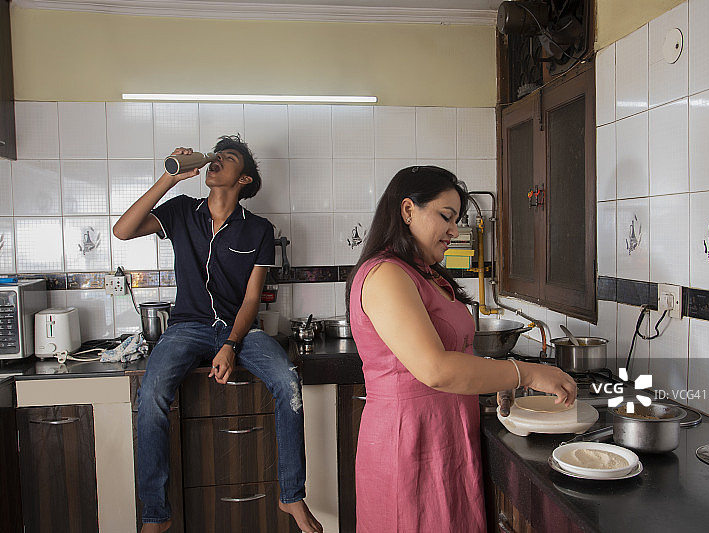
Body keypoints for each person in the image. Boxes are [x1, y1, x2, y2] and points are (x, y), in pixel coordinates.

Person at [345, 166, 577, 533]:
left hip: (446, 435)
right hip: (409, 441)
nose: (455, 230)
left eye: (457, 219)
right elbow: (436, 369)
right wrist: (526, 372)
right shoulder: (386, 274)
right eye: (446, 217)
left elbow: (458, 355)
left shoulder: (427, 273)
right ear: (408, 211)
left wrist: (496, 379)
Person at [113, 135, 322, 533]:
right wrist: (169, 178)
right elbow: (123, 231)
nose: (216, 161)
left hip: (239, 330)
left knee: (288, 381)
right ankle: (157, 514)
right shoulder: (180, 211)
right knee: (152, 392)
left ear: (243, 180)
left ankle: (291, 496)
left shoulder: (259, 230)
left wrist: (229, 344)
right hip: (186, 328)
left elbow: (251, 300)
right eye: (216, 156)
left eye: (227, 158)